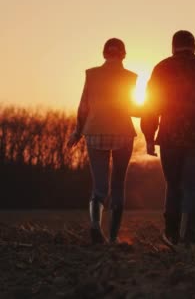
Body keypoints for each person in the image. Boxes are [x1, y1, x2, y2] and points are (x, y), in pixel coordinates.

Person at [141, 30, 195, 247]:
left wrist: (149, 137)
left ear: (173, 46)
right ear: (194, 46)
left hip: (170, 136)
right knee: (193, 187)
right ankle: (191, 236)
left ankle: (171, 235)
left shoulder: (162, 69)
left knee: (173, 185)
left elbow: (151, 106)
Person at [67, 38, 138, 244]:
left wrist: (78, 132)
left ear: (104, 53)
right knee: (118, 185)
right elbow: (132, 107)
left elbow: (83, 107)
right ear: (123, 54)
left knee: (99, 186)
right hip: (123, 133)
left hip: (95, 132)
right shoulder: (130, 77)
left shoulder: (92, 74)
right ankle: (114, 237)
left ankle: (95, 226)